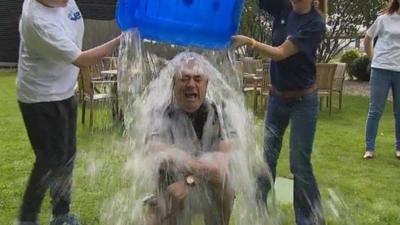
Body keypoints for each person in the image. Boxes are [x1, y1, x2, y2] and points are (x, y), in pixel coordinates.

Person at [16, 0, 120, 225]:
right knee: (48, 160)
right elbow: (83, 60)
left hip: (65, 90)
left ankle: (61, 214)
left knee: (67, 156)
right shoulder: (37, 21)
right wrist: (122, 39)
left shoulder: (63, 1)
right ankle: (26, 219)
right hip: (40, 98)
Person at [232, 0, 326, 225]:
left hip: (304, 99)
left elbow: (281, 52)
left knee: (299, 163)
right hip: (277, 97)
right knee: (267, 159)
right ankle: (257, 213)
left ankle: (309, 220)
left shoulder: (315, 23)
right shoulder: (283, 7)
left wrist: (251, 42)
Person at [144, 52, 235, 225]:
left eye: (198, 79)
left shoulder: (219, 112)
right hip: (171, 185)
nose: (191, 84)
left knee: (225, 185)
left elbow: (221, 165)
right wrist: (190, 165)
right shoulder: (161, 112)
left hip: (208, 186)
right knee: (156, 212)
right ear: (173, 83)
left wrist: (189, 181)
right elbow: (153, 152)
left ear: (207, 84)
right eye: (184, 78)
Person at [363, 0, 400, 160]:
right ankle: (369, 148)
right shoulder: (383, 19)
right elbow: (367, 38)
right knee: (375, 111)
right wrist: (373, 59)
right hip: (380, 70)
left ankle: (399, 148)